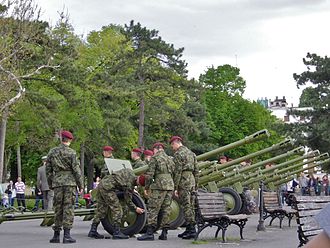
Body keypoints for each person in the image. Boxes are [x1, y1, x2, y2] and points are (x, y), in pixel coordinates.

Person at [46, 130, 83, 244]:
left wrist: (51, 183)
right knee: (68, 208)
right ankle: (67, 235)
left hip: (57, 183)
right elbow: (76, 170)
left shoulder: (52, 152)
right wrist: (80, 184)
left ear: (61, 139)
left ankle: (56, 235)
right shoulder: (72, 153)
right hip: (70, 183)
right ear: (70, 140)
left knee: (58, 208)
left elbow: (48, 170)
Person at [88, 168, 145, 239]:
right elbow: (128, 200)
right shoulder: (129, 185)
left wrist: (131, 190)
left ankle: (93, 230)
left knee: (101, 210)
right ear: (139, 183)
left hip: (102, 185)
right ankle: (116, 232)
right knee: (117, 209)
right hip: (108, 189)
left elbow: (120, 181)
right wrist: (136, 208)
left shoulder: (130, 172)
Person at [137, 142, 175, 241]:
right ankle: (164, 233)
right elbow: (174, 172)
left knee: (153, 208)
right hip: (170, 186)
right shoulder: (169, 159)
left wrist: (146, 187)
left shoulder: (155, 158)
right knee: (166, 209)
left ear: (156, 149)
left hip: (159, 186)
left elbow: (150, 175)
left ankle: (150, 233)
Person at [170, 136, 199, 239]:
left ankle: (191, 230)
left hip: (183, 181)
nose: (172, 147)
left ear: (175, 143)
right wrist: (196, 185)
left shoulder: (178, 154)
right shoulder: (192, 153)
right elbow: (196, 170)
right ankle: (188, 228)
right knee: (191, 205)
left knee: (186, 206)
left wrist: (175, 187)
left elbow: (177, 172)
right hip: (191, 180)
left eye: (172, 145)